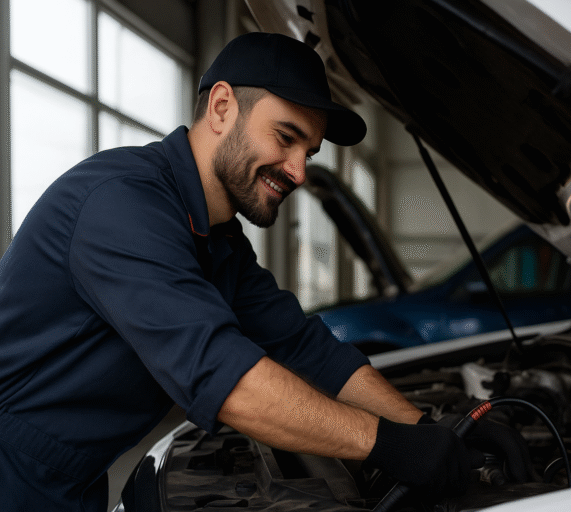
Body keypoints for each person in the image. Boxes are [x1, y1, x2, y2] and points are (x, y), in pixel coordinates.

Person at [0, 32, 495, 511]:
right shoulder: (123, 205)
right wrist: (388, 444)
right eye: (286, 137)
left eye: (308, 152)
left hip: (70, 482)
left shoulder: (218, 240)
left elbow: (306, 349)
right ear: (221, 108)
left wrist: (428, 428)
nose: (299, 171)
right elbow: (225, 379)